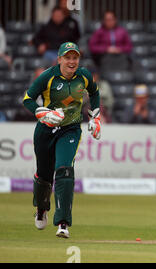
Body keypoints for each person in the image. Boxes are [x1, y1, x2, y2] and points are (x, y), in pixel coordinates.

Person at [23, 42, 101, 238]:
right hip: (45, 131)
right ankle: (41, 208)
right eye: (67, 58)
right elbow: (27, 99)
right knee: (44, 175)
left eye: (75, 58)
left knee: (65, 170)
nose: (72, 61)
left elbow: (95, 92)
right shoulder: (48, 77)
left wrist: (95, 117)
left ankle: (63, 223)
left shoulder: (84, 75)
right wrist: (41, 114)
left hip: (71, 130)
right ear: (59, 59)